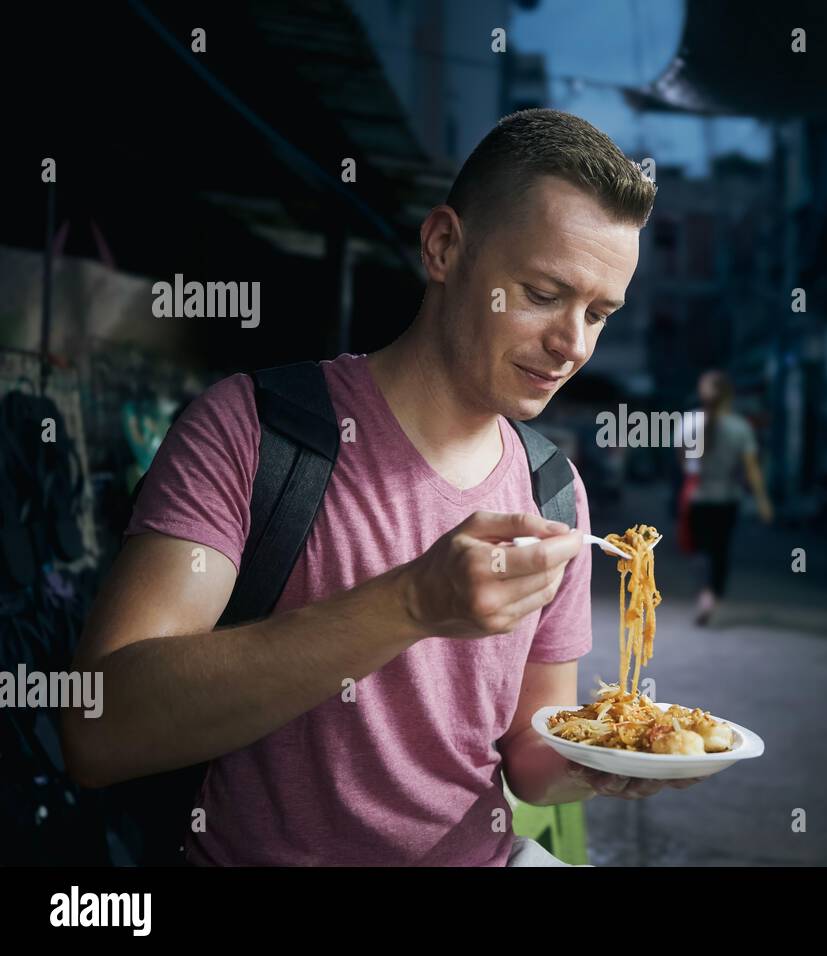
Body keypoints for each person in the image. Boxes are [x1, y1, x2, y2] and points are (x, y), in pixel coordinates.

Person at [62, 109, 705, 867]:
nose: (573, 345)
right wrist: (411, 603)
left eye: (599, 313)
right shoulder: (252, 430)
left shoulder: (553, 488)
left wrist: (606, 760)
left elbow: (530, 756)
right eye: (541, 293)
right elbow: (97, 731)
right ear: (443, 247)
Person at [683, 370, 773, 626]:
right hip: (728, 499)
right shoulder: (741, 427)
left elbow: (682, 460)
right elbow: (751, 469)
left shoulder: (691, 422)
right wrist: (763, 501)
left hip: (699, 497)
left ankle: (703, 594)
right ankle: (713, 593)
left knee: (700, 551)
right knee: (720, 550)